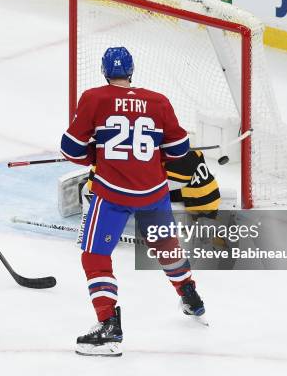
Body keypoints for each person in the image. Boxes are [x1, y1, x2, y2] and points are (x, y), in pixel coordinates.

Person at [61, 46, 206, 357]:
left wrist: (96, 154)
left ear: (104, 71)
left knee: (94, 255)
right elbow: (179, 149)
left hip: (112, 194)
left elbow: (70, 150)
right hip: (153, 192)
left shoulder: (94, 98)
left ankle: (108, 325)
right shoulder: (158, 101)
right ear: (131, 72)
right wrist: (154, 155)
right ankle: (190, 294)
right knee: (165, 246)